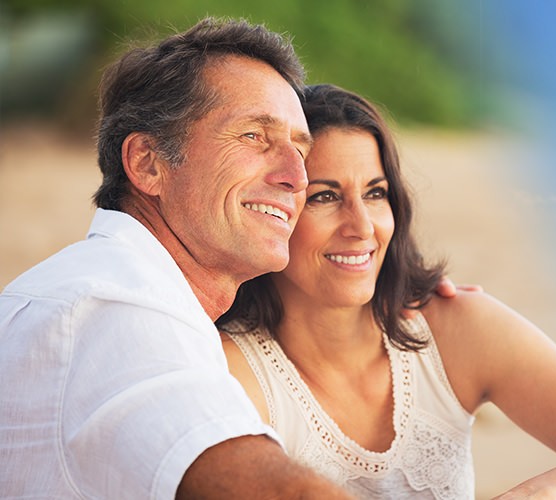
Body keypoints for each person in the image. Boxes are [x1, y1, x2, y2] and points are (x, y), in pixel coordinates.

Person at [214, 83, 556, 498]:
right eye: (324, 196)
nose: (361, 227)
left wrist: (538, 495)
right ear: (274, 212)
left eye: (376, 193)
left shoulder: (451, 326)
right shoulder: (230, 370)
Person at [0, 18, 350, 497]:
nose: (298, 177)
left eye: (300, 150)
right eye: (253, 136)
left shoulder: (97, 289)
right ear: (147, 162)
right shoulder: (119, 309)